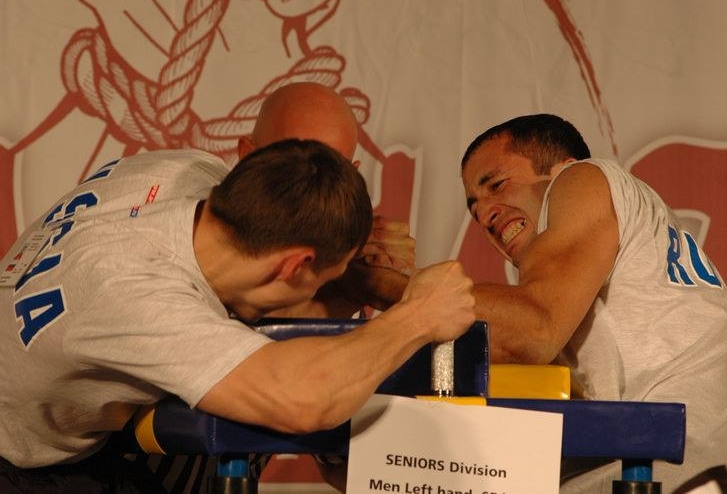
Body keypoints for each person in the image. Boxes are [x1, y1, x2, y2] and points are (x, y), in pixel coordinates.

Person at [0, 139, 475, 492]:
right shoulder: (136, 295)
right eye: (325, 280)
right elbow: (302, 400)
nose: (326, 293)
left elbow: (256, 304)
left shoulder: (183, 169)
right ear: (294, 265)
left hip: (75, 436)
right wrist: (418, 315)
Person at [460, 114, 727, 492]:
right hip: (649, 468)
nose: (485, 215)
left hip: (645, 472)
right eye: (474, 208)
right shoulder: (604, 258)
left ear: (562, 168)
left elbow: (532, 329)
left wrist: (397, 290)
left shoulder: (583, 178)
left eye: (497, 184)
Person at [237, 81, 415, 317]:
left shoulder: (347, 257)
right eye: (292, 167)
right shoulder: (196, 229)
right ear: (247, 156)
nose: (310, 190)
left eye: (331, 173)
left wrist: (371, 274)